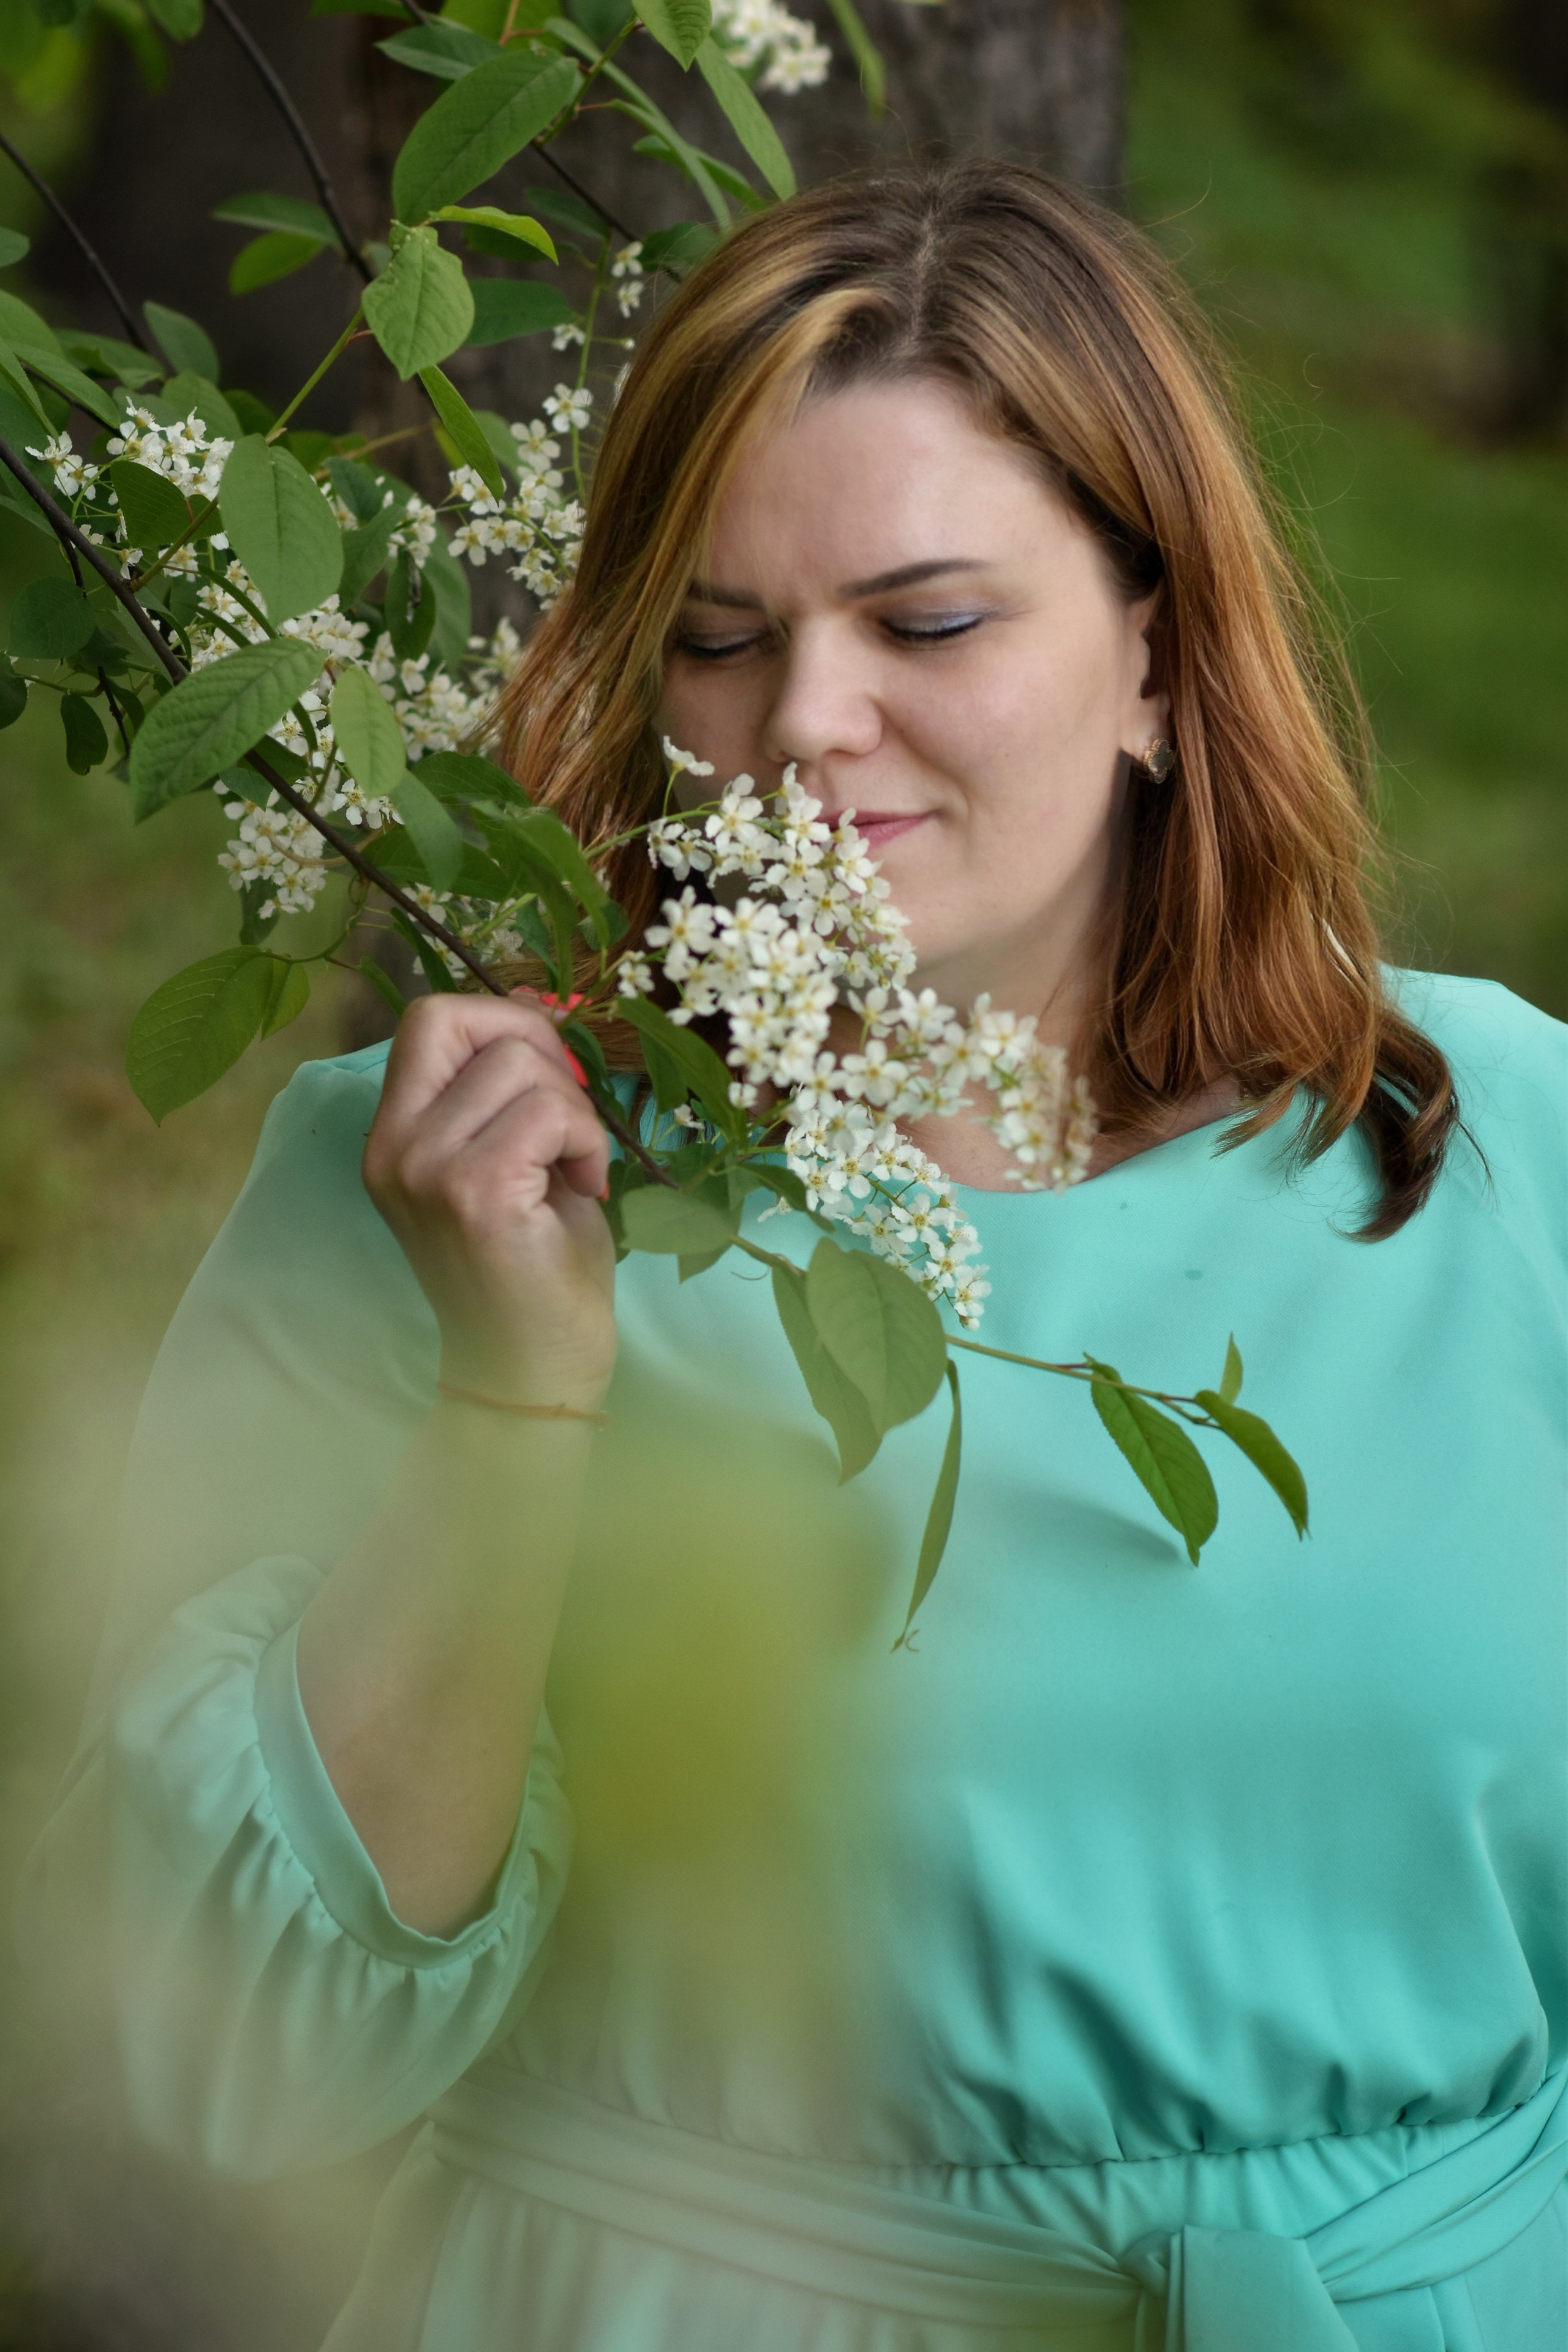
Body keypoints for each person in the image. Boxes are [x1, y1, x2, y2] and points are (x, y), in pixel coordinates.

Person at [15, 162, 1566, 2351]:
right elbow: (217, 2070)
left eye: (927, 623)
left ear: (1160, 652)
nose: (803, 724)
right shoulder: (438, 1190)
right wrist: (513, 1397)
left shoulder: (1514, 1155)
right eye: (721, 641)